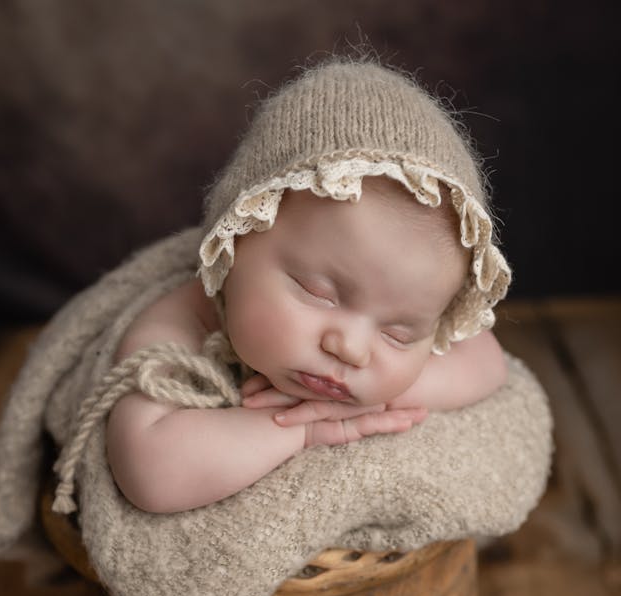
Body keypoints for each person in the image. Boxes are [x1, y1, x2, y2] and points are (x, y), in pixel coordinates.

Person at [104, 58, 513, 514]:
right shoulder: (179, 319)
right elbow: (152, 474)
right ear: (235, 238)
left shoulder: (402, 318)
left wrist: (385, 392)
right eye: (318, 292)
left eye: (399, 334)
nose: (353, 350)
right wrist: (300, 429)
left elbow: (488, 361)